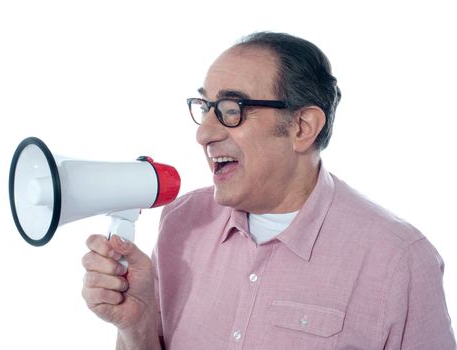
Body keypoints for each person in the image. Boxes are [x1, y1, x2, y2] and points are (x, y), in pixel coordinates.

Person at [81, 32, 456, 349]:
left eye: (232, 108)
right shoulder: (182, 221)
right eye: (205, 106)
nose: (204, 133)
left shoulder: (399, 259)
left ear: (302, 127)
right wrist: (137, 327)